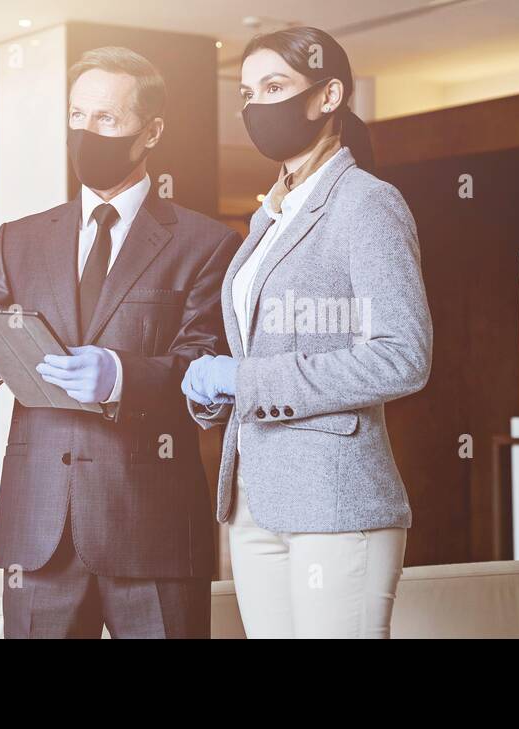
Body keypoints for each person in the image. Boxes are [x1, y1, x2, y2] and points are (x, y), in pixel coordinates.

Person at [0, 47, 241, 638]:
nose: (86, 132)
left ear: (151, 132)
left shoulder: (206, 243)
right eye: (77, 116)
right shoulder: (19, 240)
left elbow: (208, 373)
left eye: (106, 119)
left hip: (153, 531)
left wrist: (122, 376)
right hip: (38, 530)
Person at [179, 26, 432, 638]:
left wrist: (247, 378)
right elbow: (260, 352)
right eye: (246, 93)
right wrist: (216, 391)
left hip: (336, 498)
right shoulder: (270, 214)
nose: (256, 107)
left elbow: (403, 356)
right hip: (253, 498)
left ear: (328, 96)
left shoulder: (366, 202)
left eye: (274, 87)